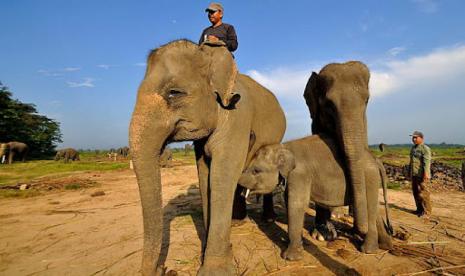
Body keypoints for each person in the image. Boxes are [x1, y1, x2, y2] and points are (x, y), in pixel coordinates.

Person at [409, 131, 432, 218]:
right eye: (413, 137)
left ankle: (426, 212)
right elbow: (411, 162)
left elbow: (427, 162)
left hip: (422, 175)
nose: (414, 139)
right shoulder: (413, 148)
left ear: (421, 138)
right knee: (416, 193)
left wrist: (426, 174)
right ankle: (419, 210)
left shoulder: (425, 148)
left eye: (416, 137)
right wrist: (409, 173)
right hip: (414, 174)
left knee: (424, 194)